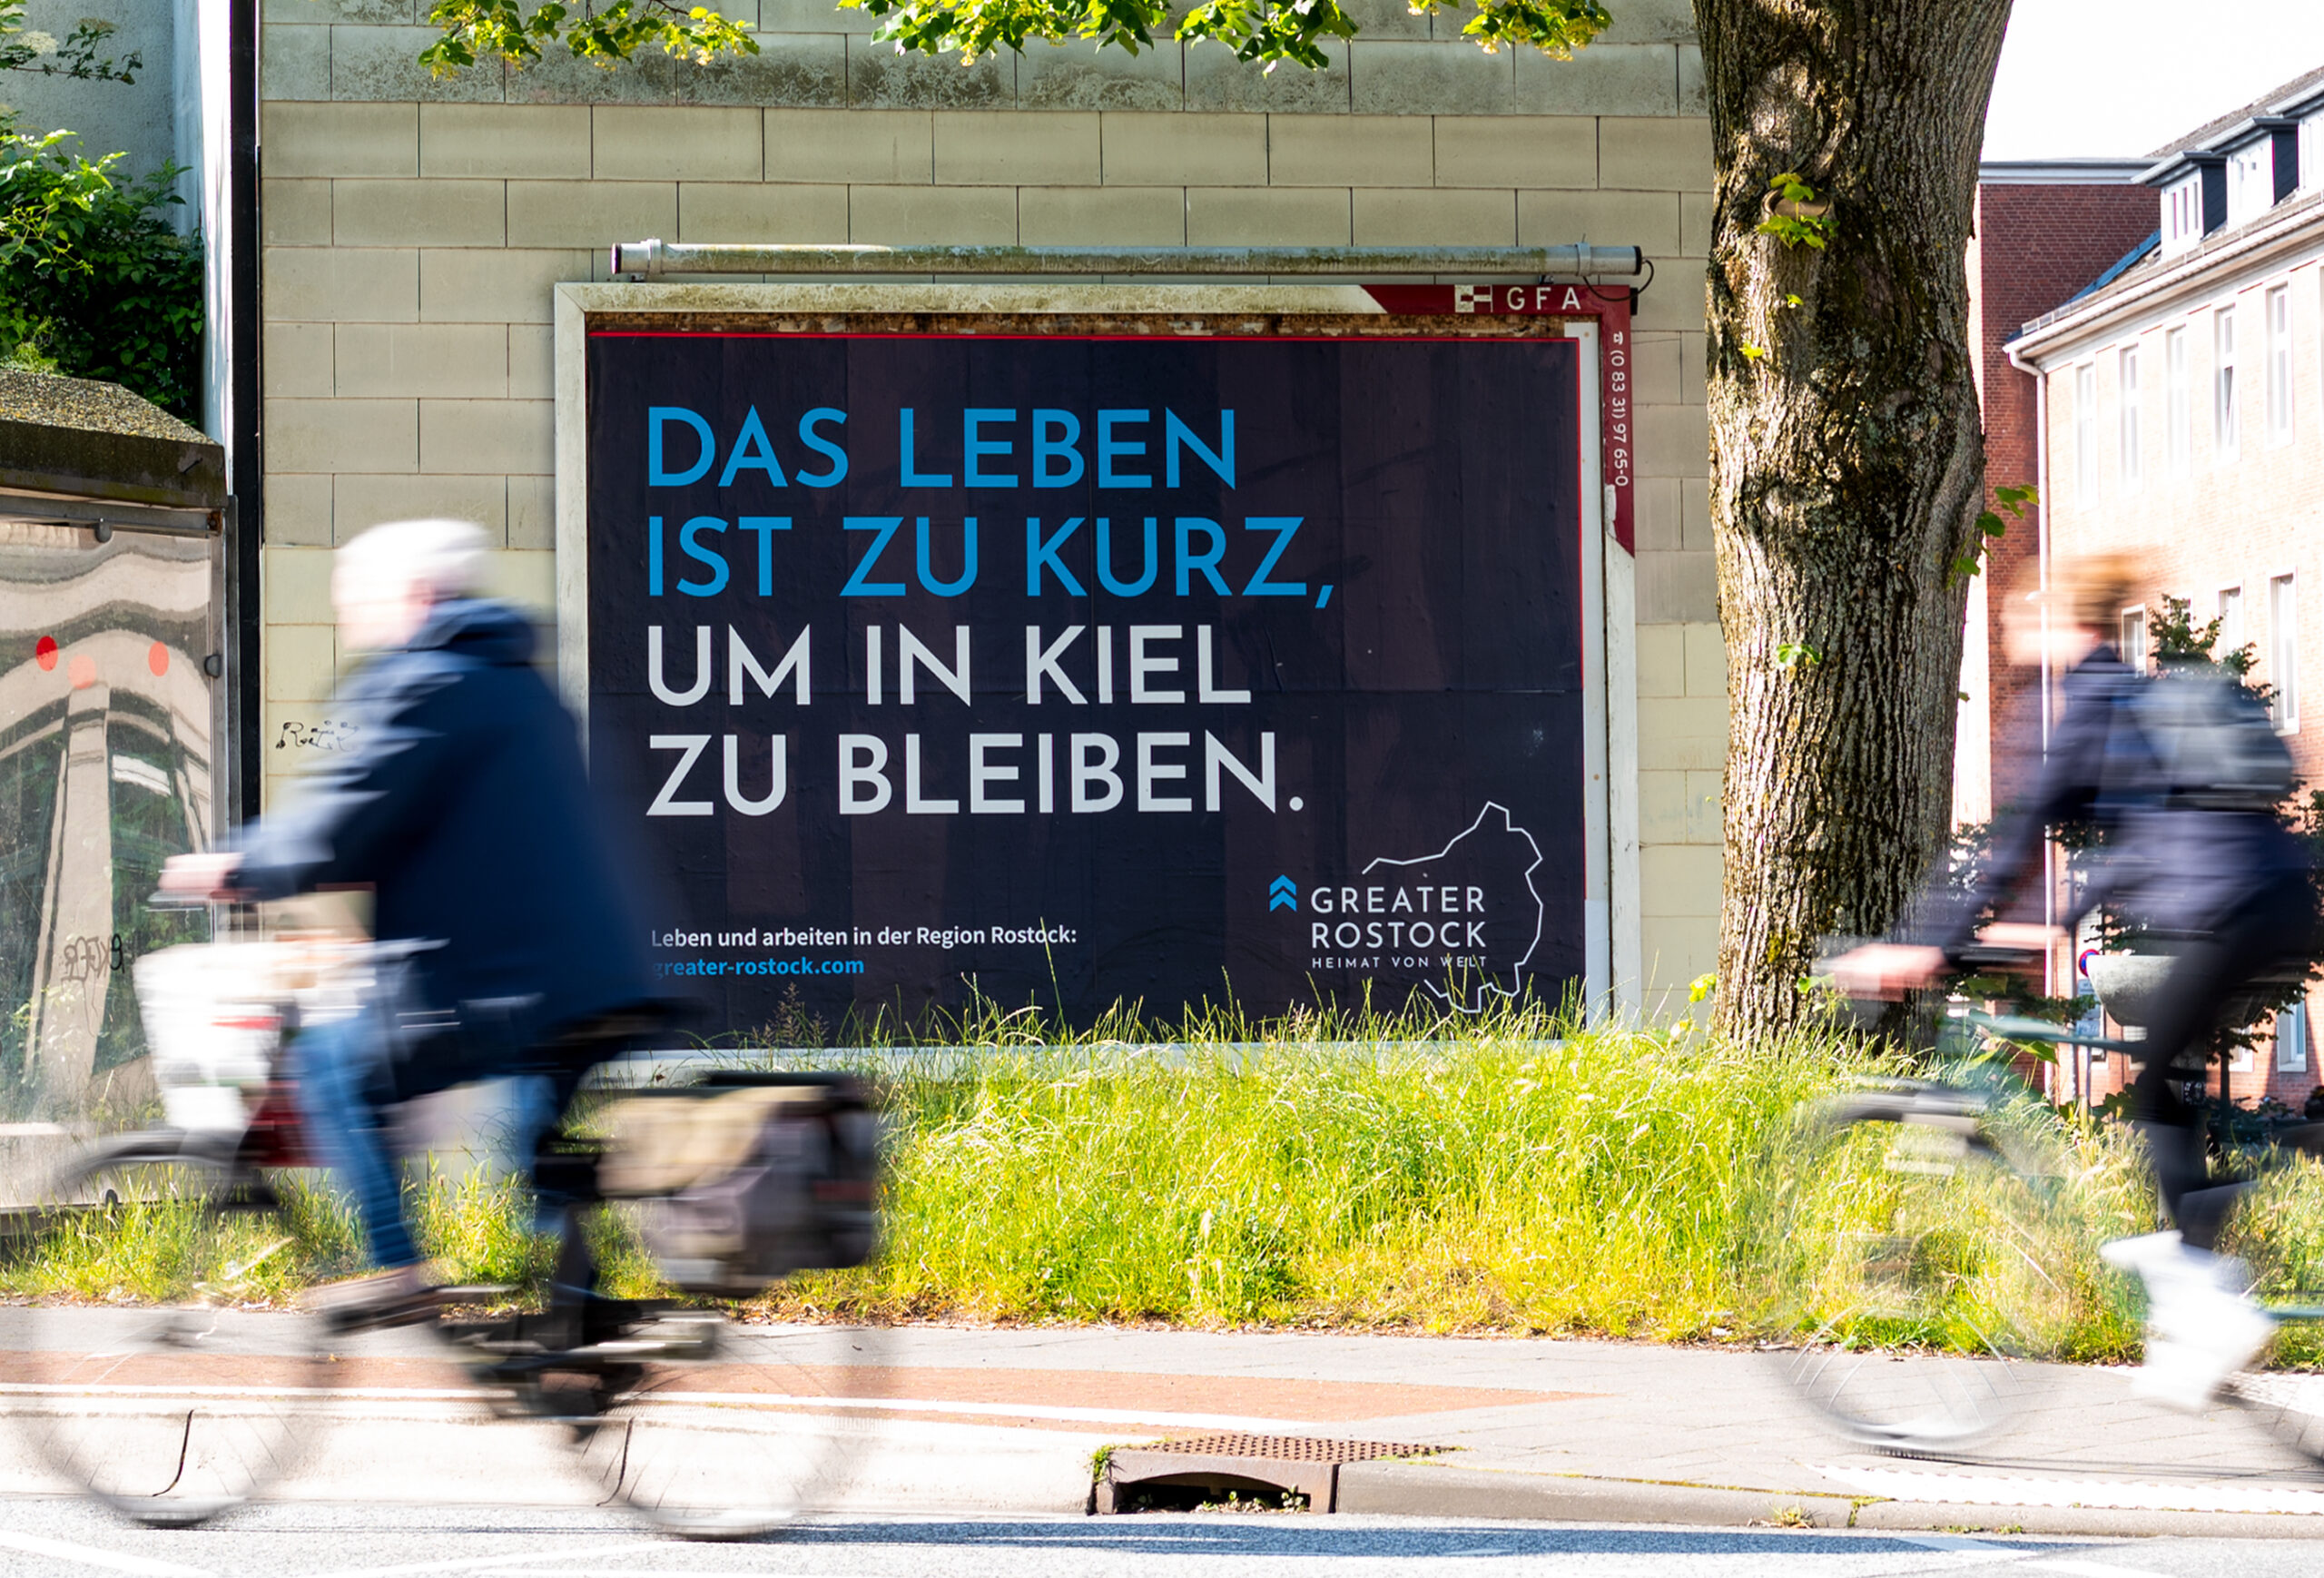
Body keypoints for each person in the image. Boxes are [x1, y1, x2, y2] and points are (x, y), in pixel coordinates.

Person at [1828, 551, 2314, 1411]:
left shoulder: (2085, 705)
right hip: (2274, 907)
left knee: (2156, 1093)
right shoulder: (2135, 698)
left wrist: (1923, 949)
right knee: (2169, 1086)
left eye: (2018, 615)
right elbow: (2125, 845)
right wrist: (2041, 924)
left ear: (2058, 619)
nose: (2011, 631)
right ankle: (2199, 1273)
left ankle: (2202, 1292)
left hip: (2224, 914)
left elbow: (2016, 847)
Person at [162, 518, 665, 1324]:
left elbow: (341, 817)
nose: (353, 619)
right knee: (540, 1139)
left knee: (330, 1068)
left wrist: (231, 868)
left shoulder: (425, 679)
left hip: (505, 985)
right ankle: (578, 1317)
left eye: (359, 601)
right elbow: (451, 829)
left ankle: (399, 1271)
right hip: (598, 977)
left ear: (419, 596)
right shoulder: (522, 684)